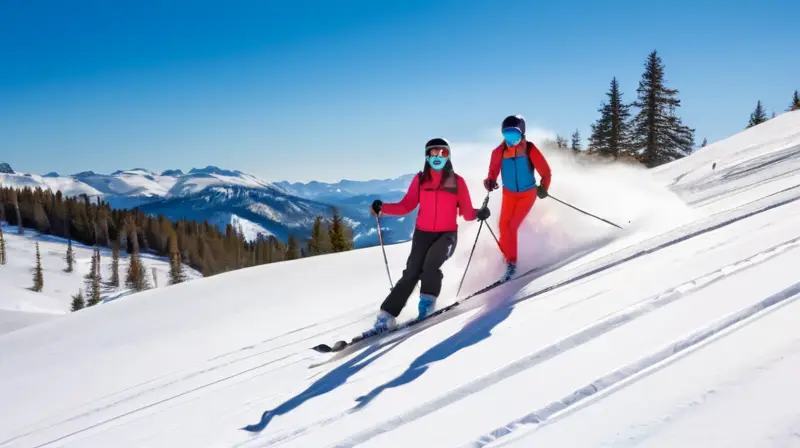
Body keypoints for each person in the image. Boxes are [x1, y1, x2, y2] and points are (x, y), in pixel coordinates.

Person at [369, 137, 491, 332]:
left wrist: (479, 213)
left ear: (448, 155)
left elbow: (467, 212)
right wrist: (383, 208)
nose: (437, 156)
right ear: (427, 156)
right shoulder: (420, 180)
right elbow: (406, 205)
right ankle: (386, 316)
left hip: (446, 235)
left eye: (442, 153)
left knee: (430, 265)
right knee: (411, 272)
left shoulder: (457, 182)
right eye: (433, 153)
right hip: (422, 235)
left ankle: (426, 305)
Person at [483, 115, 552, 282]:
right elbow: (492, 172)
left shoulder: (529, 149)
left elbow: (545, 171)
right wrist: (489, 181)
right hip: (509, 194)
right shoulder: (498, 152)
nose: (511, 139)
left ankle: (512, 263)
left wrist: (544, 188)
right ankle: (506, 258)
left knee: (512, 226)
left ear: (522, 133)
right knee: (502, 226)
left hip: (527, 194)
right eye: (507, 135)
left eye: (514, 135)